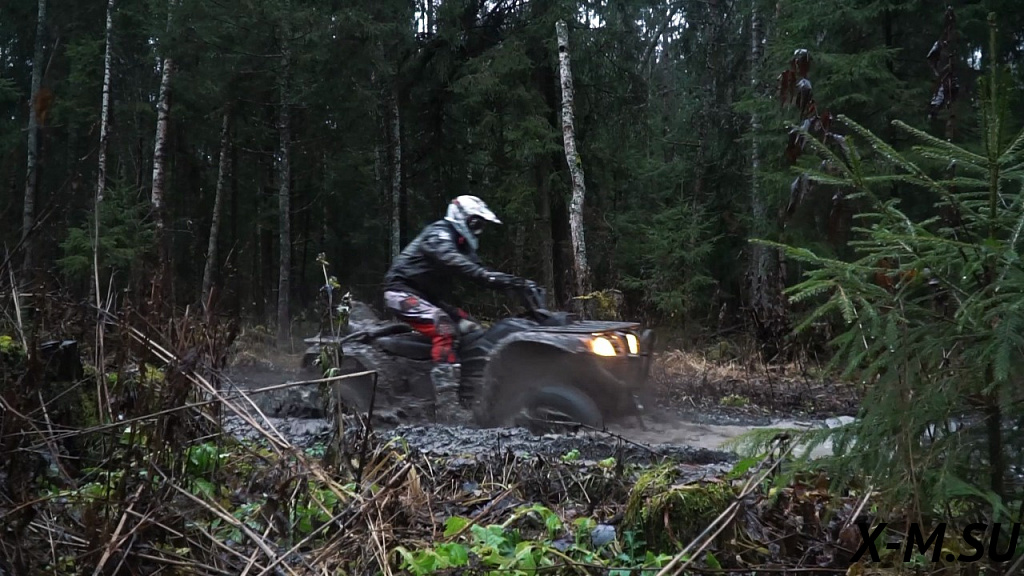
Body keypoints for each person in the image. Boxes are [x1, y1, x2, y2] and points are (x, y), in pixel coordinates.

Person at [382, 195, 535, 421]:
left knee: (472, 328)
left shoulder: (462, 244)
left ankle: (470, 387)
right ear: (463, 218)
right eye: (476, 223)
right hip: (400, 291)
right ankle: (446, 405)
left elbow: (479, 271)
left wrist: (512, 283)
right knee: (444, 327)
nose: (479, 230)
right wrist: (490, 277)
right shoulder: (439, 234)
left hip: (428, 297)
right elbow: (452, 259)